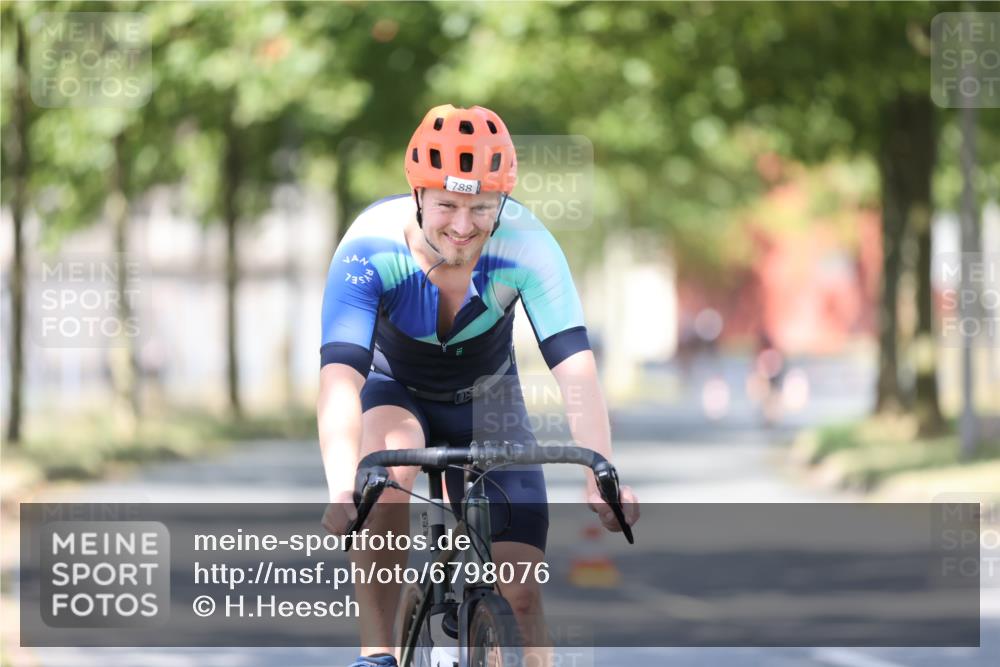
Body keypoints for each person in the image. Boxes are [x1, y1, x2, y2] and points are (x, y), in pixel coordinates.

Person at [317, 104, 639, 667]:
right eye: (446, 204)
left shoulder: (528, 245)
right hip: (398, 394)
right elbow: (340, 376)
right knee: (385, 476)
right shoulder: (368, 246)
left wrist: (600, 469)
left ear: (502, 204)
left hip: (490, 400)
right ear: (417, 195)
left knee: (520, 593)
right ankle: (377, 652)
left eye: (481, 208)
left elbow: (575, 367)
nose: (463, 227)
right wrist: (342, 487)